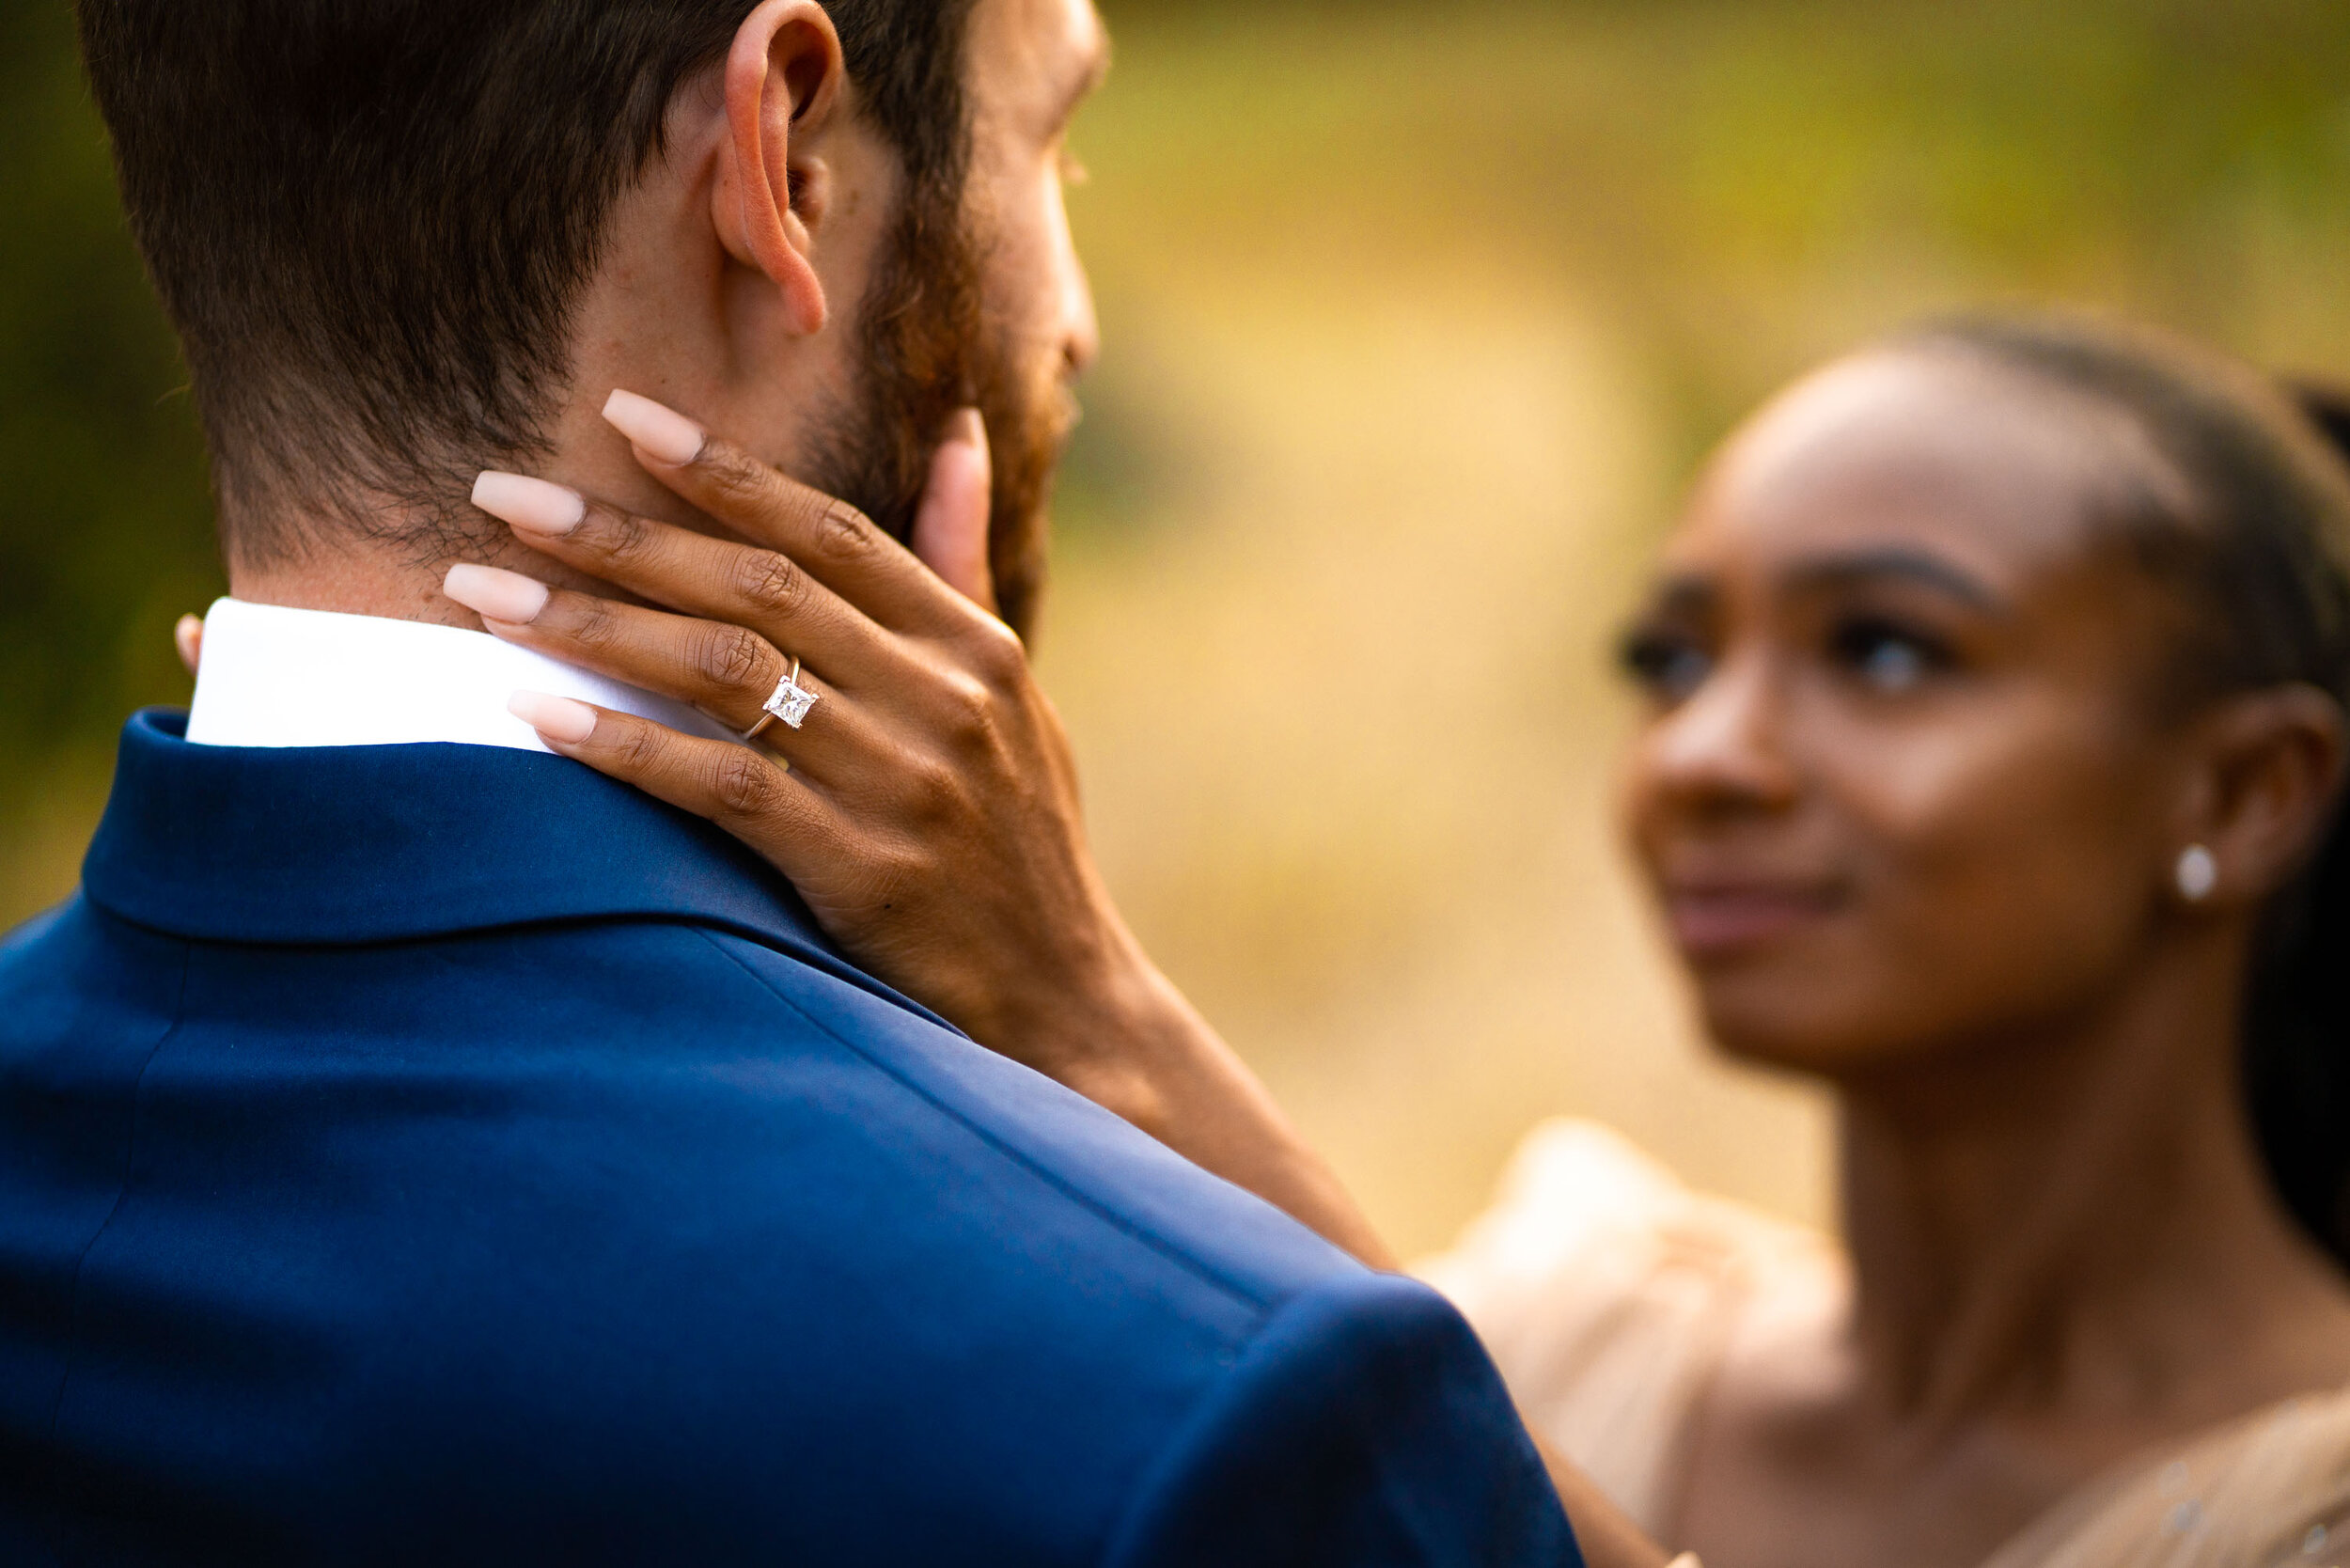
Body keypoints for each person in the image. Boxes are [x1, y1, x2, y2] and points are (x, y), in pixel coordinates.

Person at [0, 2, 1593, 1562]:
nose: (1081, 320)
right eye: (1055, 145)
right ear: (784, 160)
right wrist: (1105, 1032)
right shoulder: (1230, 1412)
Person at [458, 312, 2350, 1568]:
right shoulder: (1569, 1321)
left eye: (1881, 651)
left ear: (2242, 793)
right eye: (1667, 663)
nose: (1702, 757)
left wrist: (1091, 1009)